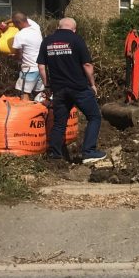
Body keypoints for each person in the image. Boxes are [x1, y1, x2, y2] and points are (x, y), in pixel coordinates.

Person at [36, 17, 106, 164]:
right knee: (94, 117)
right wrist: (92, 84)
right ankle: (89, 152)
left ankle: (55, 155)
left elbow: (41, 66)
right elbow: (87, 65)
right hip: (78, 88)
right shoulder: (76, 39)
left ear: (58, 27)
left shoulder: (47, 41)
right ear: (74, 29)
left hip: (59, 89)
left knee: (60, 122)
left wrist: (47, 86)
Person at [9, 12, 44, 100]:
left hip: (29, 69)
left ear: (18, 23)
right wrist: (6, 23)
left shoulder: (20, 35)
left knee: (24, 94)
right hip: (40, 68)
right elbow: (21, 17)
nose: (16, 28)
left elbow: (19, 56)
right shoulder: (36, 27)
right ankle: (45, 112)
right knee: (39, 94)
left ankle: (27, 112)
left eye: (15, 25)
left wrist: (12, 56)